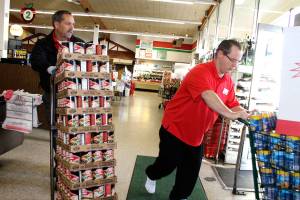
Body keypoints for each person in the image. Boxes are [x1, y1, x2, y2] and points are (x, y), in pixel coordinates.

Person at [145, 39, 249, 200]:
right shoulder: (200, 71)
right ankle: (151, 175)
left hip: (197, 136)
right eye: (233, 60)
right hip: (174, 129)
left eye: (238, 61)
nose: (235, 65)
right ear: (220, 54)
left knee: (189, 176)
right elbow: (208, 96)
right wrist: (230, 114)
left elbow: (232, 103)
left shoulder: (227, 80)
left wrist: (243, 112)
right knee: (166, 166)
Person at [31, 10, 84, 122]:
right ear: (56, 24)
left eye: (73, 24)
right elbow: (35, 60)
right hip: (52, 93)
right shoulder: (43, 43)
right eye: (68, 23)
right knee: (55, 127)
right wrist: (49, 68)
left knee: (73, 125)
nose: (72, 27)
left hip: (75, 94)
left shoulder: (79, 44)